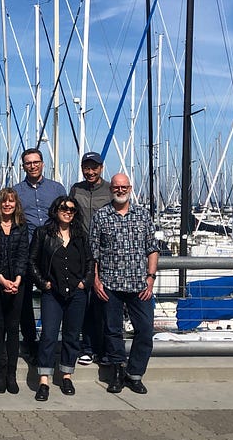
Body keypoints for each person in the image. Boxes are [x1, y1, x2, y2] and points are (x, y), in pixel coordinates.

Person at [91, 173, 159, 395]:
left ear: (130, 188)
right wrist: (96, 280)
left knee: (145, 330)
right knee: (112, 331)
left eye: (124, 187)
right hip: (110, 283)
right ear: (111, 189)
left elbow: (152, 248)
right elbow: (94, 253)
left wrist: (150, 278)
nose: (120, 190)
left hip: (139, 285)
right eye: (116, 187)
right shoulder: (101, 216)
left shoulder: (143, 215)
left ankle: (135, 374)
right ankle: (117, 372)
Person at [29, 196, 91, 400]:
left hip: (76, 293)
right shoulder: (43, 233)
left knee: (72, 336)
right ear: (56, 210)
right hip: (52, 293)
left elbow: (90, 261)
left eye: (71, 209)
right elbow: (32, 261)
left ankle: (66, 375)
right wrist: (43, 283)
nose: (67, 212)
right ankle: (44, 381)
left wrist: (84, 282)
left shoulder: (81, 235)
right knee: (48, 335)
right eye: (63, 208)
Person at [13, 148, 67, 362]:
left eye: (36, 162)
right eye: (28, 163)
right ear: (23, 166)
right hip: (26, 251)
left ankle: (50, 342)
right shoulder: (16, 191)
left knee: (53, 296)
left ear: (43, 164)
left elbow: (66, 215)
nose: (32, 166)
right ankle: (30, 342)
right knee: (24, 300)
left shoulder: (57, 188)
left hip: (53, 251)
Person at [70, 151, 113, 366]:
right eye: (86, 167)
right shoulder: (76, 189)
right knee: (85, 301)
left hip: (106, 252)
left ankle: (104, 348)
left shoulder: (110, 190)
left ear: (101, 168)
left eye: (94, 167)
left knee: (105, 300)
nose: (90, 171)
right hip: (81, 252)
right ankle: (86, 347)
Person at [0, 188, 30, 394]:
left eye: (11, 201)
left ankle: (11, 374)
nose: (7, 205)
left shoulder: (22, 226)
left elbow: (24, 254)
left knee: (13, 330)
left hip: (17, 284)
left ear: (16, 204)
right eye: (4, 201)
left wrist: (18, 279)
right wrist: (2, 280)